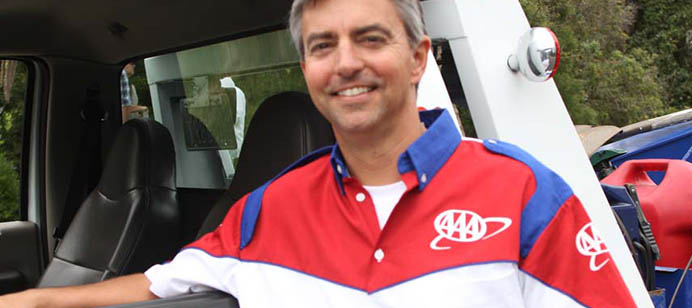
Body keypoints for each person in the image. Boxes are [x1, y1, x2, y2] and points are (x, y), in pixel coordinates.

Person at [0, 0, 637, 307]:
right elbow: (154, 286)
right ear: (305, 67)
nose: (346, 63)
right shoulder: (264, 212)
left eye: (370, 38)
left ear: (418, 58)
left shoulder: (526, 196)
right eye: (323, 45)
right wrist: (32, 300)